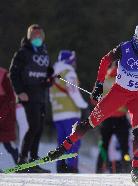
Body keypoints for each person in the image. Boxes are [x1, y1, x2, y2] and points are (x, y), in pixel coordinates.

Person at [48, 24, 138, 183]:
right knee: (90, 123)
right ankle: (63, 148)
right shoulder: (124, 48)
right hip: (119, 93)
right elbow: (105, 61)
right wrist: (99, 84)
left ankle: (136, 170)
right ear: (135, 39)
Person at [9, 24, 53, 173]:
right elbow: (13, 73)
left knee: (39, 128)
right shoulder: (22, 53)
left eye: (39, 35)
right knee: (33, 126)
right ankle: (22, 160)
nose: (37, 38)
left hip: (41, 95)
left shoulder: (44, 53)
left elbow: (49, 72)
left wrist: (50, 80)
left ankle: (33, 161)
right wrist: (19, 91)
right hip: (27, 95)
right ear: (29, 37)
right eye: (34, 35)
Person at [50, 50, 88, 173]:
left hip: (57, 113)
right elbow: (73, 91)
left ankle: (60, 166)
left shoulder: (53, 73)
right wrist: (83, 106)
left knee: (61, 141)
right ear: (70, 61)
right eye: (74, 60)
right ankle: (72, 167)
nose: (75, 63)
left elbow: (51, 95)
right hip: (71, 113)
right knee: (73, 140)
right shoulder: (69, 72)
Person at [95, 64, 131, 173]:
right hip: (121, 118)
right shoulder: (125, 79)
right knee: (124, 147)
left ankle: (99, 168)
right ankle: (126, 167)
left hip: (106, 118)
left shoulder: (103, 80)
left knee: (104, 145)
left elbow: (94, 99)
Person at [0, 67, 18, 164]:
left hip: (6, 116)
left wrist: (1, 115)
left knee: (8, 142)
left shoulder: (3, 74)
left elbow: (10, 98)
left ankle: (20, 164)